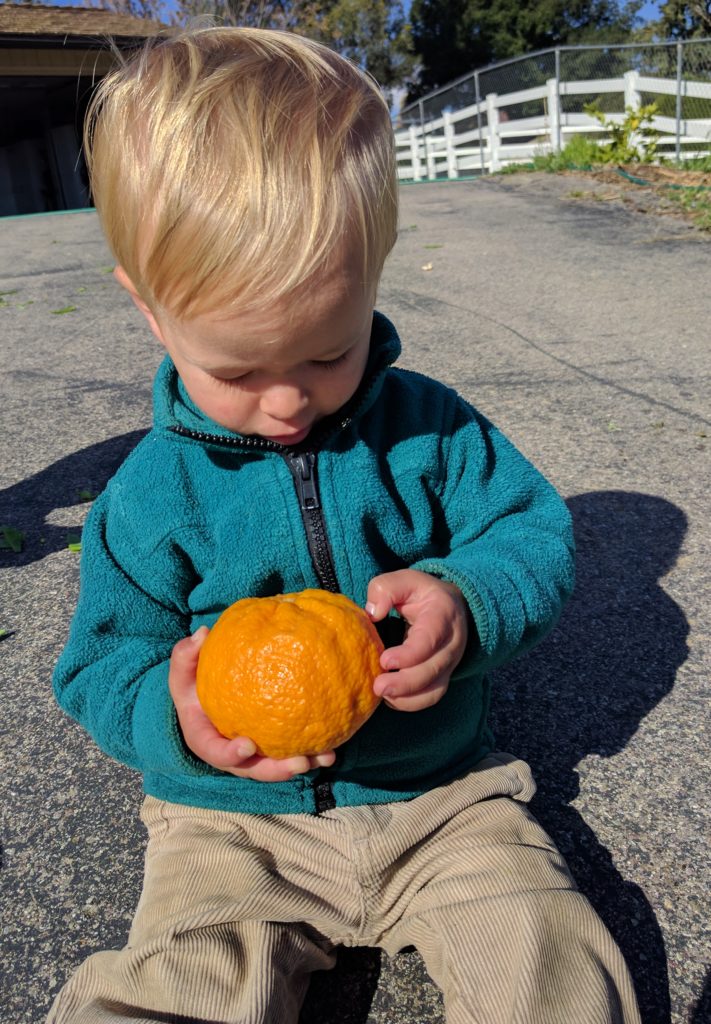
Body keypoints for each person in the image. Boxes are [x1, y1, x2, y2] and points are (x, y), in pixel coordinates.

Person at [49, 26, 641, 1024]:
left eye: (331, 351)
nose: (288, 403)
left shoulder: (434, 430)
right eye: (239, 371)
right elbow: (100, 665)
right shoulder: (148, 500)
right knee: (178, 987)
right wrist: (177, 718)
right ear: (150, 313)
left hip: (443, 796)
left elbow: (529, 534)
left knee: (551, 960)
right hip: (231, 825)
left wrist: (469, 600)